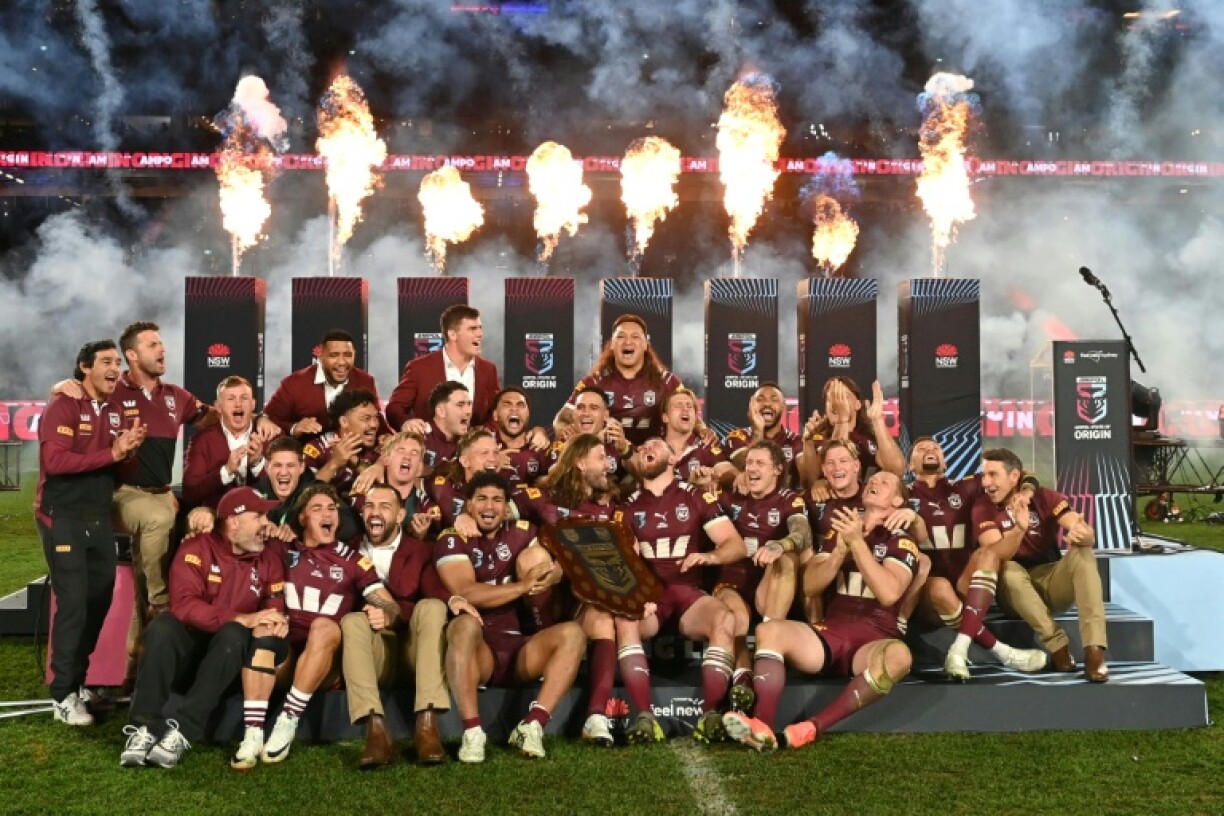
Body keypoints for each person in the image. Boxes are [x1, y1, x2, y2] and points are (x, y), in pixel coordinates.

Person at [723, 471, 921, 751]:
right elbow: (811, 587)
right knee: (769, 630)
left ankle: (812, 727)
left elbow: (888, 594)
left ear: (898, 500)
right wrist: (840, 551)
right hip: (832, 633)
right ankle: (762, 725)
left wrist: (857, 544)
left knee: (900, 656)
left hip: (874, 636)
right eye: (873, 480)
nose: (875, 483)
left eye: (884, 482)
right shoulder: (839, 529)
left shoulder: (901, 541)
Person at [120, 487, 287, 769]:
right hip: (187, 660)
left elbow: (275, 611)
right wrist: (241, 617)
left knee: (233, 635)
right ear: (233, 521)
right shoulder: (195, 547)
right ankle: (142, 729)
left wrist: (270, 622)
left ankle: (183, 731)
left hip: (231, 665)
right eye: (258, 515)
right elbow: (185, 607)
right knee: (163, 626)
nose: (265, 523)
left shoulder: (268, 558)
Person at [237, 483, 401, 766]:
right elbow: (240, 535)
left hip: (325, 660)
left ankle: (287, 721)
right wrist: (199, 517)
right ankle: (252, 733)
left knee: (324, 626)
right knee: (263, 628)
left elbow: (389, 604)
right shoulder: (281, 548)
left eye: (332, 508)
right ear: (302, 518)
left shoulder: (353, 562)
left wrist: (386, 613)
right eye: (317, 508)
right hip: (285, 655)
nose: (327, 514)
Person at [435, 472, 587, 762]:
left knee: (573, 634)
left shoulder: (524, 531)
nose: (489, 506)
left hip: (523, 646)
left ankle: (533, 726)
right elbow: (466, 591)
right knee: (463, 625)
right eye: (481, 499)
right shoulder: (451, 539)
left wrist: (554, 573)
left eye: (497, 500)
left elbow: (559, 564)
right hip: (481, 650)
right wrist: (521, 587)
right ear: (468, 505)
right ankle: (472, 732)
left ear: (507, 507)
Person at [38, 340, 146, 725]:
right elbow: (54, 460)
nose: (115, 368)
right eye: (106, 361)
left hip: (97, 516)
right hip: (63, 515)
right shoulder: (64, 403)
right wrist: (112, 454)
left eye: (117, 361)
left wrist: (129, 453)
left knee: (98, 599)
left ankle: (77, 681)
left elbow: (118, 471)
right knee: (73, 603)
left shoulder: (116, 409)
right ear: (85, 368)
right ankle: (63, 696)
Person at [614, 437, 747, 744]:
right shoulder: (628, 507)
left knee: (725, 619)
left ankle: (711, 715)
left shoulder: (696, 497)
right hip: (651, 599)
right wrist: (637, 597)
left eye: (655, 446)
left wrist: (711, 556)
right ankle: (645, 717)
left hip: (688, 595)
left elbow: (735, 544)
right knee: (624, 619)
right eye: (642, 448)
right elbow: (626, 563)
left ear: (673, 459)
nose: (646, 448)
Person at [341, 484, 465, 767]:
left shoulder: (419, 550)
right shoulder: (347, 551)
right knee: (352, 621)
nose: (375, 512)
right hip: (373, 656)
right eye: (370, 506)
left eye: (384, 507)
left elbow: (435, 590)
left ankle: (427, 725)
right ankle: (376, 731)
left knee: (432, 606)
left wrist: (453, 600)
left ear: (399, 516)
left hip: (414, 653)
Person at [510, 432, 621, 745]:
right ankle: (546, 645)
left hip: (579, 600)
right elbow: (495, 510)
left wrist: (567, 567)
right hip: (542, 608)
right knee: (534, 557)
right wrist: (463, 517)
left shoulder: (607, 509)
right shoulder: (542, 497)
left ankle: (596, 715)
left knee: (602, 617)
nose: (608, 466)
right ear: (581, 462)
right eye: (601, 458)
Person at [906, 438, 1046, 680]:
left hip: (964, 584)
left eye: (935, 448)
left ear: (946, 462)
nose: (930, 450)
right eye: (921, 449)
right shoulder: (902, 493)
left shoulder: (966, 487)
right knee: (940, 587)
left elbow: (1022, 474)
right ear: (909, 466)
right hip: (923, 593)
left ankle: (958, 650)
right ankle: (1004, 652)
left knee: (987, 553)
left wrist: (1024, 492)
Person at [974, 447, 1109, 682]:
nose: (986, 482)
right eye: (984, 476)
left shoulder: (1043, 497)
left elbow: (1076, 523)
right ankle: (1058, 646)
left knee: (1083, 553)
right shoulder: (982, 508)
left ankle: (1094, 649)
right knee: (1008, 568)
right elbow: (997, 552)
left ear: (1015, 476)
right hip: (1012, 591)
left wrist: (1083, 534)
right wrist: (1020, 528)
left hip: (1048, 579)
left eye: (993, 475)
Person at [714, 440, 812, 706]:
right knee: (736, 618)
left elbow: (802, 534)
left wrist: (779, 545)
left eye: (760, 463)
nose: (751, 469)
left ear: (777, 469)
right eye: (748, 464)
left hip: (769, 586)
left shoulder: (790, 500)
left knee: (789, 558)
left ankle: (768, 648)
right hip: (732, 582)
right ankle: (744, 678)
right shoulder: (729, 497)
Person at [555, 314, 683, 447]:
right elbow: (561, 418)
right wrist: (564, 431)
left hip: (650, 460)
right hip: (605, 460)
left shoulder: (668, 381)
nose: (628, 342)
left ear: (646, 345)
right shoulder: (594, 381)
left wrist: (703, 431)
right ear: (612, 344)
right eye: (621, 336)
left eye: (635, 336)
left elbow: (692, 418)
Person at [387, 305, 500, 431]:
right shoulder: (419, 368)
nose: (480, 334)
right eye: (472, 329)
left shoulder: (488, 370)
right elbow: (395, 408)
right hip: (430, 447)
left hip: (473, 448)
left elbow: (495, 413)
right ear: (452, 334)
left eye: (480, 328)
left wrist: (484, 434)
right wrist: (406, 423)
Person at [263, 329, 386, 440]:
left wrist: (385, 437)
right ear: (320, 356)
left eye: (348, 355)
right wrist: (295, 428)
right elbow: (269, 419)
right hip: (304, 456)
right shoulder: (294, 384)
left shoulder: (365, 381)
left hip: (354, 455)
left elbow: (375, 418)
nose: (342, 362)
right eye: (334, 355)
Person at [182, 376, 273, 511]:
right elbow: (190, 492)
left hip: (261, 514)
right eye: (231, 399)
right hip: (220, 517)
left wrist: (257, 464)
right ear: (218, 407)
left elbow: (282, 488)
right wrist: (226, 471)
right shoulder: (202, 441)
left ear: (253, 404)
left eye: (244, 398)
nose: (238, 404)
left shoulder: (268, 435)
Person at [800, 377, 904, 492]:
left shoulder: (873, 437)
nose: (837, 403)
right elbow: (811, 480)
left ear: (858, 404)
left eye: (845, 397)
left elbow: (896, 471)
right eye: (831, 399)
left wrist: (877, 420)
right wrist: (842, 420)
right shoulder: (815, 439)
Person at [303, 388, 383, 499]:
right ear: (344, 422)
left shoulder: (377, 451)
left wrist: (359, 463)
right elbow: (304, 495)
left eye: (376, 418)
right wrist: (335, 463)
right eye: (366, 418)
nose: (374, 425)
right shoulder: (317, 448)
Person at [723, 383, 804, 488]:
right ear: (751, 405)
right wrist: (758, 432)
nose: (767, 404)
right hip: (749, 502)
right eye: (760, 399)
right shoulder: (737, 437)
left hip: (785, 502)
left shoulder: (796, 441)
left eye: (774, 400)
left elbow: (808, 480)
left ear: (783, 406)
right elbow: (744, 468)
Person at [661, 387, 735, 490]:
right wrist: (690, 483)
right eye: (678, 405)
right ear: (665, 417)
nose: (685, 409)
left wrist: (714, 476)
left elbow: (729, 470)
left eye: (689, 406)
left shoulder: (707, 445)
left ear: (696, 417)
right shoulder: (654, 448)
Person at [490, 387, 550, 485]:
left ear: (528, 414)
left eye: (520, 405)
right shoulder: (483, 446)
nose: (514, 409)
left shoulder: (541, 448)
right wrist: (490, 466)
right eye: (507, 404)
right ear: (495, 415)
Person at [421, 381, 474, 474]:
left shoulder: (472, 441)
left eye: (469, 404)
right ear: (441, 411)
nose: (468, 411)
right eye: (460, 405)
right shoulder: (419, 438)